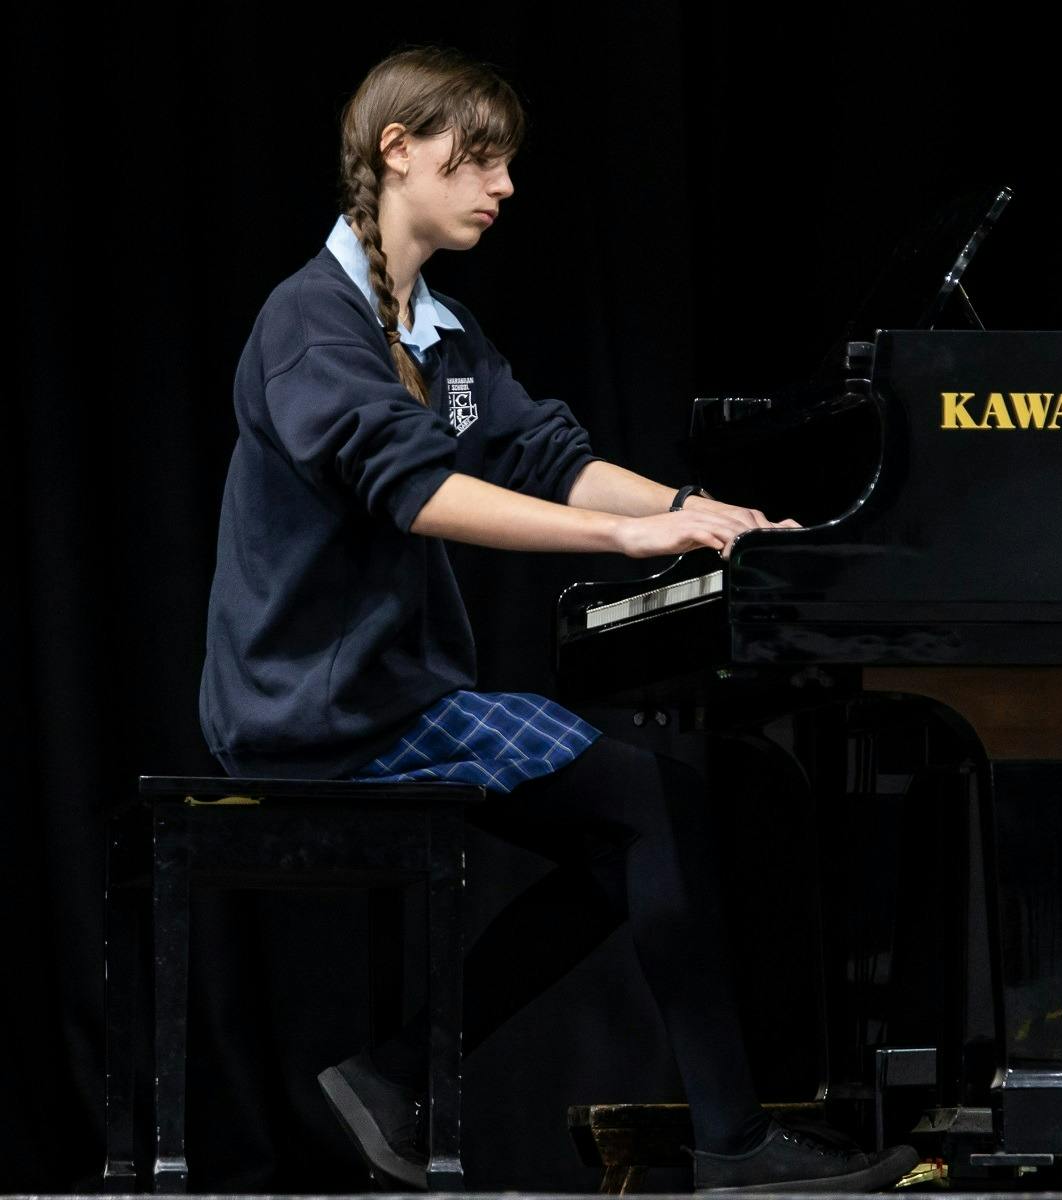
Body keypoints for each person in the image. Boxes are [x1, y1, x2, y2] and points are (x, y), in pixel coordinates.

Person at [198, 45, 916, 1193]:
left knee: (658, 812)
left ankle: (401, 1075)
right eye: (475, 157)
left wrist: (699, 511)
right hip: (318, 699)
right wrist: (630, 540)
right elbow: (418, 492)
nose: (504, 184)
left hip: (395, 690)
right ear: (396, 151)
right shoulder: (311, 323)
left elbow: (540, 453)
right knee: (651, 801)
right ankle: (727, 1149)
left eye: (506, 162)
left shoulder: (443, 336)